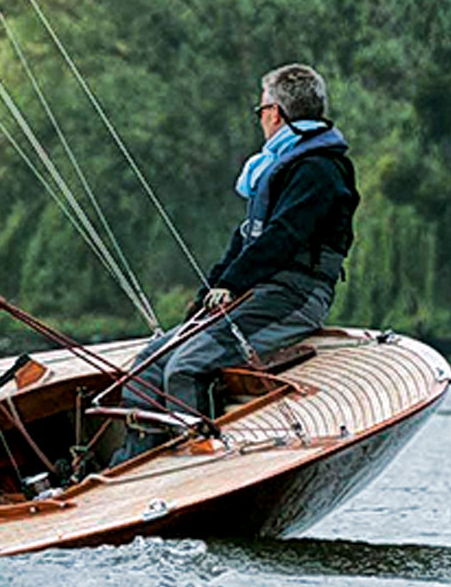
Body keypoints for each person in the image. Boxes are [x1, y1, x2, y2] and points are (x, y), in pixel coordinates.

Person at [111, 63, 359, 464]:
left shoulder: (319, 170)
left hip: (294, 296)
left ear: (276, 113)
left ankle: (194, 466)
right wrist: (212, 289)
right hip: (257, 291)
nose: (260, 118)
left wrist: (237, 282)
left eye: (261, 109)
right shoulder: (278, 167)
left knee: (187, 367)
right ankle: (136, 458)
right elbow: (245, 239)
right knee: (150, 362)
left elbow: (283, 237)